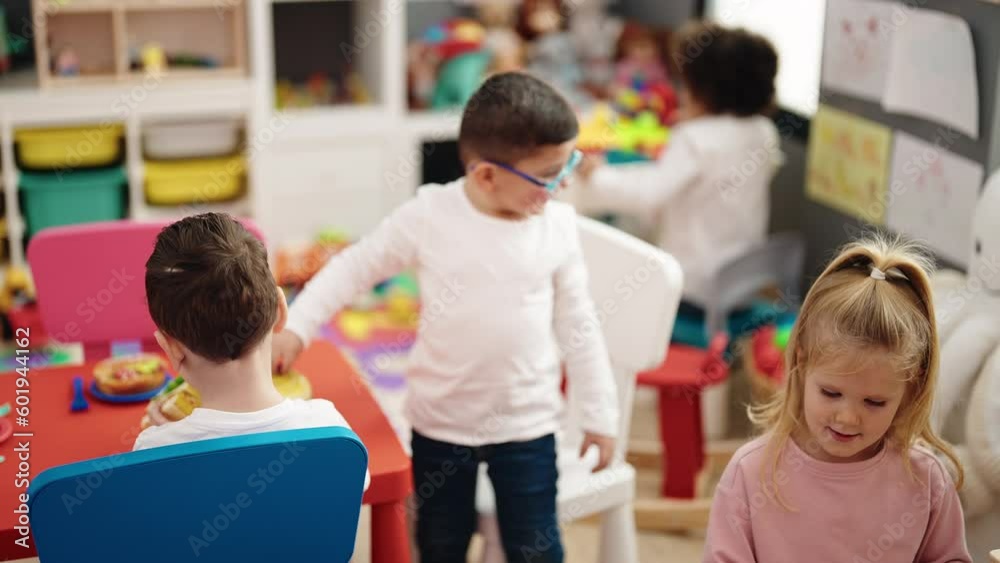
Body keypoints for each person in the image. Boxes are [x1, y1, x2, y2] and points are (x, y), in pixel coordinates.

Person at [271, 71, 619, 563]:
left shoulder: (557, 227)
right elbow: (355, 266)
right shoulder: (430, 215)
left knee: (536, 549)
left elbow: (580, 327)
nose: (562, 185)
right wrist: (298, 327)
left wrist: (601, 415)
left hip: (528, 425)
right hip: (441, 424)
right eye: (549, 175)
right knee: (440, 544)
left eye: (569, 166)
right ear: (486, 175)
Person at [703, 234, 970, 562]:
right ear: (800, 363)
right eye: (831, 393)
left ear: (911, 388)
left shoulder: (925, 478)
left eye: (874, 402)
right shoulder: (750, 472)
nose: (847, 417)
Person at [133, 213, 368, 490]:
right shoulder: (332, 433)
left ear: (170, 348)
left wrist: (167, 435)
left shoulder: (152, 453)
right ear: (281, 311)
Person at [577, 20, 781, 310]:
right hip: (741, 279)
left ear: (706, 91)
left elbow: (647, 194)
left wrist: (597, 174)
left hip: (693, 286)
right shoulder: (763, 130)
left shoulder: (694, 138)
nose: (681, 94)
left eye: (686, 85)